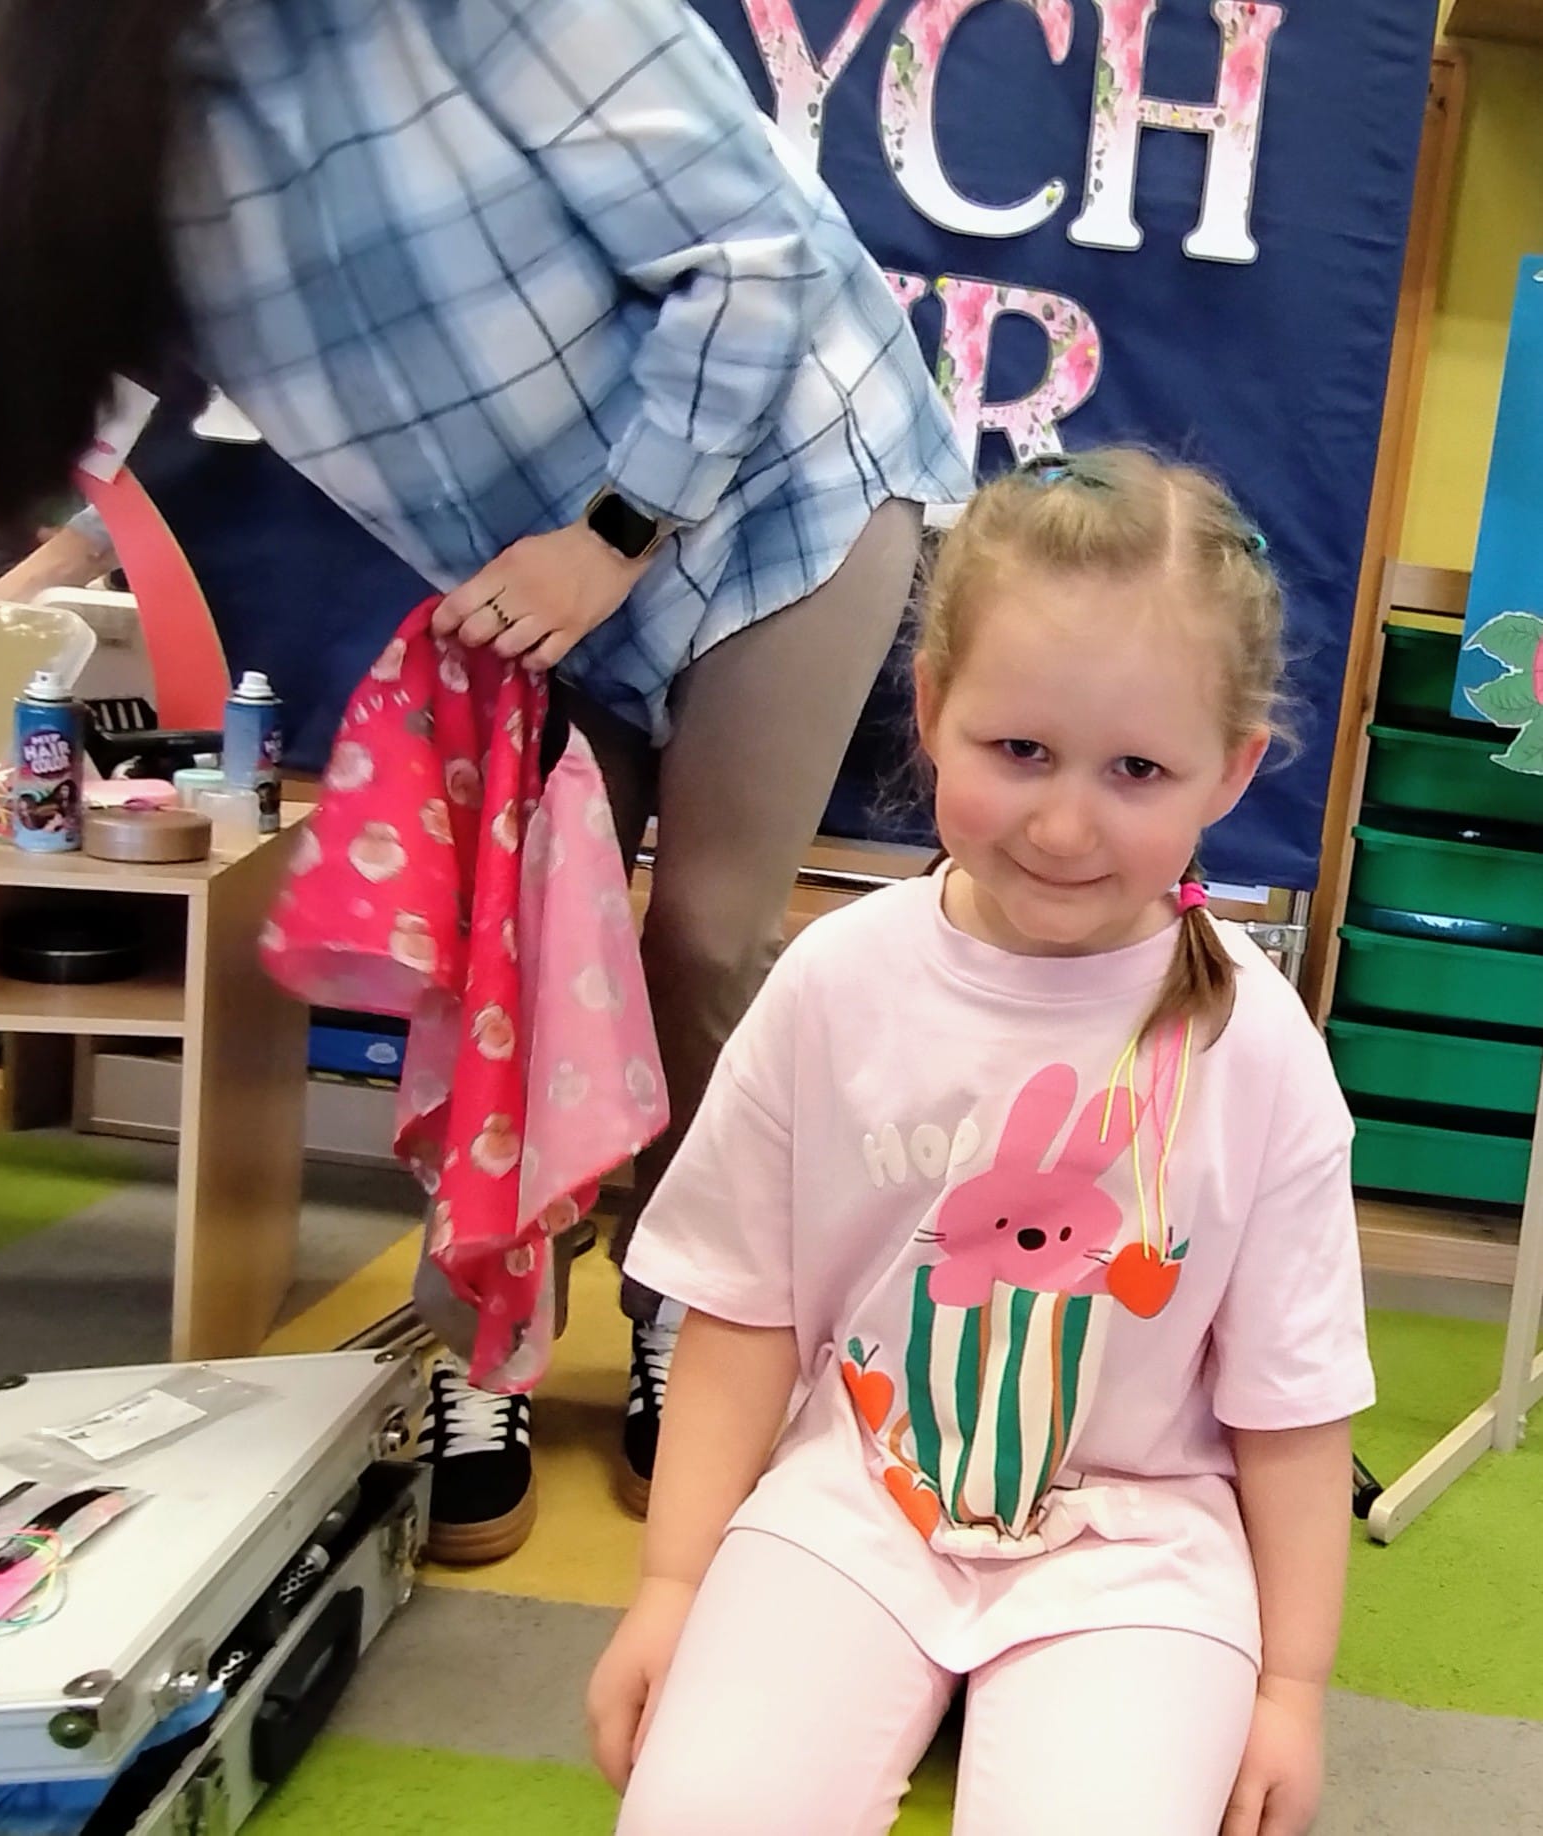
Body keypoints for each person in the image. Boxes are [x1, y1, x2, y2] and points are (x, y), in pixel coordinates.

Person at [0, 0, 967, 1560]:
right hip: (526, 568)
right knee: (512, 949)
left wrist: (614, 535)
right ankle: (484, 1340)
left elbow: (753, 259)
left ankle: (685, 1304)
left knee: (703, 938)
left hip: (782, 479)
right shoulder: (118, 90)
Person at [588, 449, 1373, 1836]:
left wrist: (1292, 1690)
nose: (1064, 823)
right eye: (1020, 751)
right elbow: (742, 1316)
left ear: (1231, 771)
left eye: (1138, 769)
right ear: (933, 708)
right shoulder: (836, 983)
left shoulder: (1257, 1050)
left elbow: (1294, 1409)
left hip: (1138, 1543)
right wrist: (672, 1588)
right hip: (858, 1495)